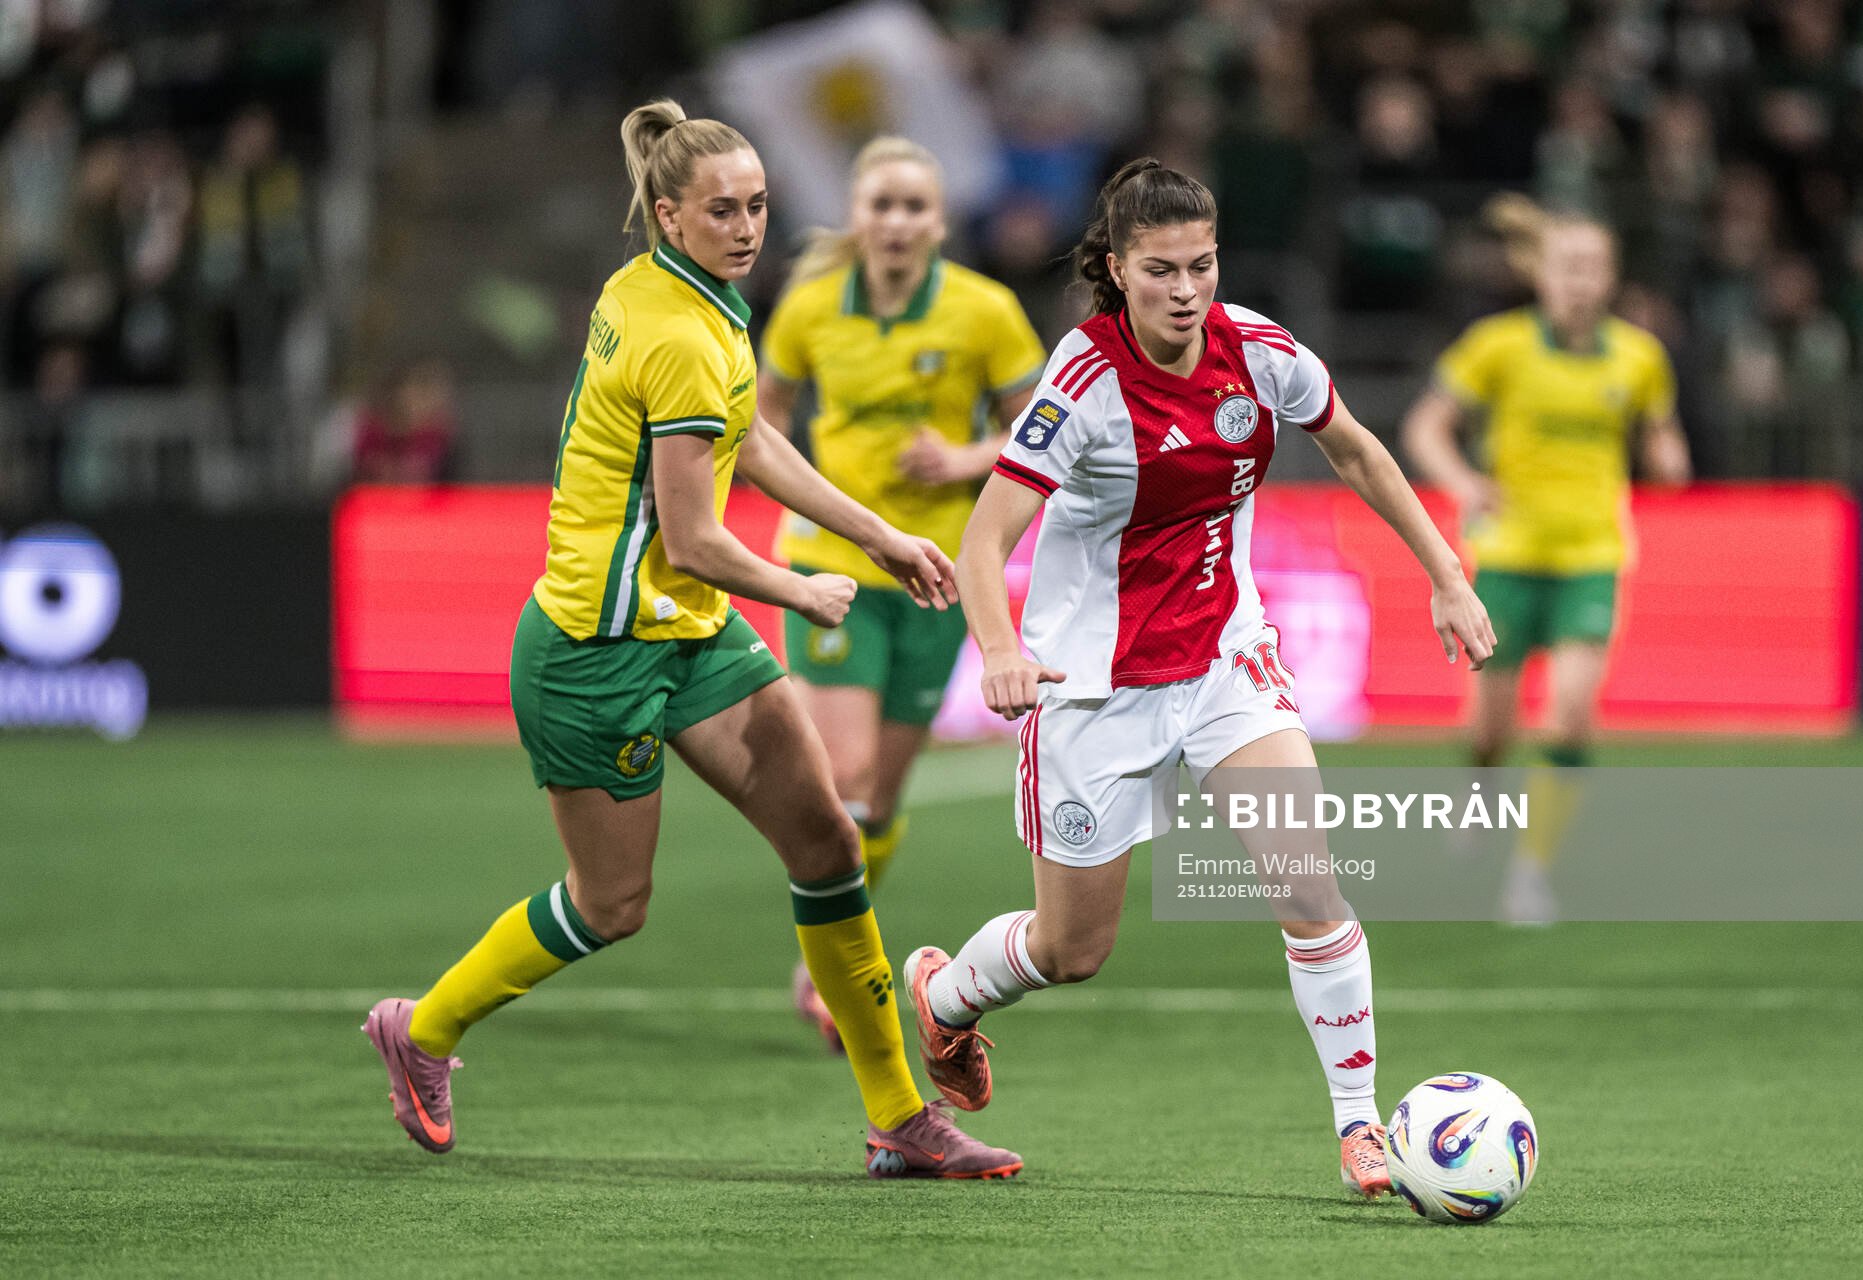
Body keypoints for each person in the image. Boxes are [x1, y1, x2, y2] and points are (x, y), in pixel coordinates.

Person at [361, 99, 1021, 1180]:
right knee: (611, 904)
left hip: (687, 635)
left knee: (829, 844)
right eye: (725, 210)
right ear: (670, 212)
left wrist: (879, 531)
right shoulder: (672, 330)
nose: (750, 226)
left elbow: (751, 435)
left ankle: (900, 1115)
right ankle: (422, 1029)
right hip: (594, 650)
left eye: (760, 205)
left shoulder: (693, 295)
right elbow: (693, 534)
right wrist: (802, 589)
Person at [900, 158, 1495, 1198]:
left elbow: (1356, 450)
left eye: (1203, 265)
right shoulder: (1081, 384)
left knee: (1308, 881)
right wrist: (998, 648)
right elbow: (987, 537)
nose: (1187, 289)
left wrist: (1445, 573)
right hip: (1093, 686)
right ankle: (949, 995)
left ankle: (1361, 1127)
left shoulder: (1258, 350)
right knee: (1073, 945)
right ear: (1119, 270)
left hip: (1226, 659)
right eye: (1163, 269)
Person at [757, 136, 1046, 1050]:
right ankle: (837, 969)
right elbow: (760, 422)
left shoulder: (984, 311)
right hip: (829, 559)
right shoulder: (806, 311)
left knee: (878, 795)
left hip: (937, 568)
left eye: (914, 206)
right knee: (841, 777)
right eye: (880, 204)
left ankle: (824, 959)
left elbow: (1045, 431)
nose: (895, 222)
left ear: (939, 221)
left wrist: (960, 459)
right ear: (857, 215)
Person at [1402, 195, 1690, 923]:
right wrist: (1464, 480)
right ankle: (1480, 793)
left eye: (1593, 267)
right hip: (1506, 556)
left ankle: (1531, 873)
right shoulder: (1498, 345)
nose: (1580, 280)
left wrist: (1668, 457)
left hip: (1593, 554)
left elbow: (1660, 442)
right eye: (1568, 266)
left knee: (1567, 721)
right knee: (1490, 732)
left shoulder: (1641, 356)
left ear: (1612, 276)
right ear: (1543, 274)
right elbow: (1426, 427)